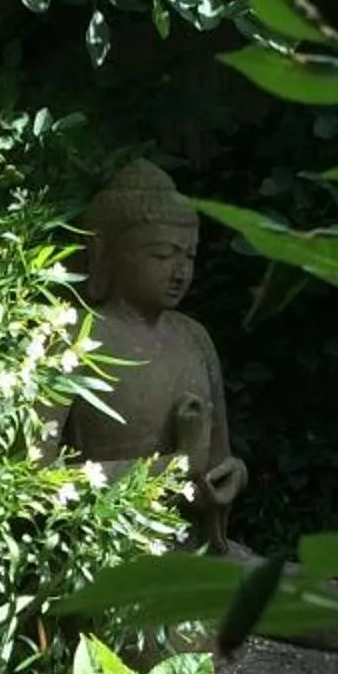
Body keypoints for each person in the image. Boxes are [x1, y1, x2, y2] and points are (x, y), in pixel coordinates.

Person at [61, 160, 247, 553]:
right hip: (104, 558)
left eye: (189, 257)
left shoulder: (194, 338)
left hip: (189, 549)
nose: (179, 271)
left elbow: (215, 461)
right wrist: (173, 468)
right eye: (162, 256)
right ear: (103, 252)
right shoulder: (71, 336)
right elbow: (33, 480)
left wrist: (227, 478)